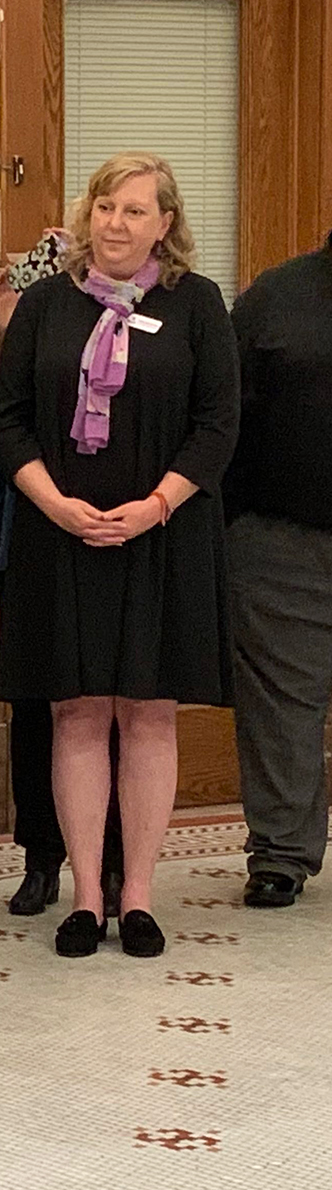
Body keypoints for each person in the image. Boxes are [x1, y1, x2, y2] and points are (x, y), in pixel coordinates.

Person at [0, 152, 237, 959]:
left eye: (136, 211)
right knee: (77, 711)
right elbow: (9, 419)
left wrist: (157, 505)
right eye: (105, 206)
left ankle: (137, 897)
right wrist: (56, 503)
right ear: (87, 213)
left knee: (149, 711)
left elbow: (218, 425)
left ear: (166, 224)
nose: (116, 223)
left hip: (163, 535)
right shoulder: (45, 305)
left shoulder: (198, 304)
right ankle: (85, 898)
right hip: (58, 534)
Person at [0, 232, 124, 917]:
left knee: (122, 706)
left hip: (119, 529)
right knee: (42, 703)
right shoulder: (22, 333)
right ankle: (42, 856)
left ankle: (118, 866)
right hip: (35, 535)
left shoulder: (126, 327)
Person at [225, 229, 332, 910]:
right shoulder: (276, 296)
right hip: (281, 543)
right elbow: (225, 416)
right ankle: (281, 852)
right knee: (280, 708)